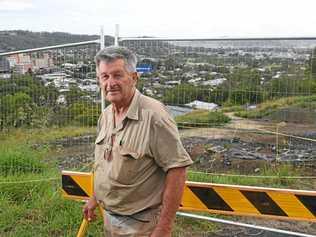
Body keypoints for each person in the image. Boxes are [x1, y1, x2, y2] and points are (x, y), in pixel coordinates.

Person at [83, 46, 193, 237]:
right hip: (110, 219)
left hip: (142, 226)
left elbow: (177, 170)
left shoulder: (154, 116)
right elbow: (105, 164)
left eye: (118, 75)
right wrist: (95, 198)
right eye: (105, 76)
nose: (111, 83)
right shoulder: (106, 115)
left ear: (134, 78)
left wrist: (164, 228)